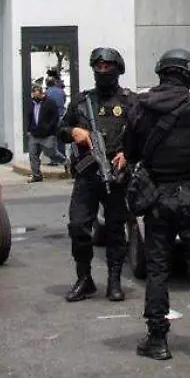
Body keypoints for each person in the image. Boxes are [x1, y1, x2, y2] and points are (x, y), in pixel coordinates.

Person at [124, 48, 190, 361]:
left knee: (157, 269)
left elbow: (130, 154)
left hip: (157, 201)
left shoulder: (140, 110)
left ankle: (157, 340)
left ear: (161, 73)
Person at [57, 47, 137, 303]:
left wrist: (128, 154)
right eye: (98, 68)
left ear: (117, 70)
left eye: (107, 67)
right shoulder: (82, 102)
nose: (102, 72)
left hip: (116, 176)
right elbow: (59, 130)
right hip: (87, 175)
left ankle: (114, 280)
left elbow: (143, 135)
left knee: (115, 230)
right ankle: (84, 279)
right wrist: (74, 133)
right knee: (78, 226)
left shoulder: (129, 101)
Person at [26, 84, 63, 182]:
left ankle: (65, 162)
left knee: (51, 153)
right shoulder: (31, 103)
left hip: (48, 134)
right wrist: (29, 129)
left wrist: (49, 128)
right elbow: (29, 117)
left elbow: (55, 117)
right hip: (34, 134)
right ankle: (36, 175)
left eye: (37, 95)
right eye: (33, 95)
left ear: (41, 93)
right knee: (33, 154)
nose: (35, 97)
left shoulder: (50, 102)